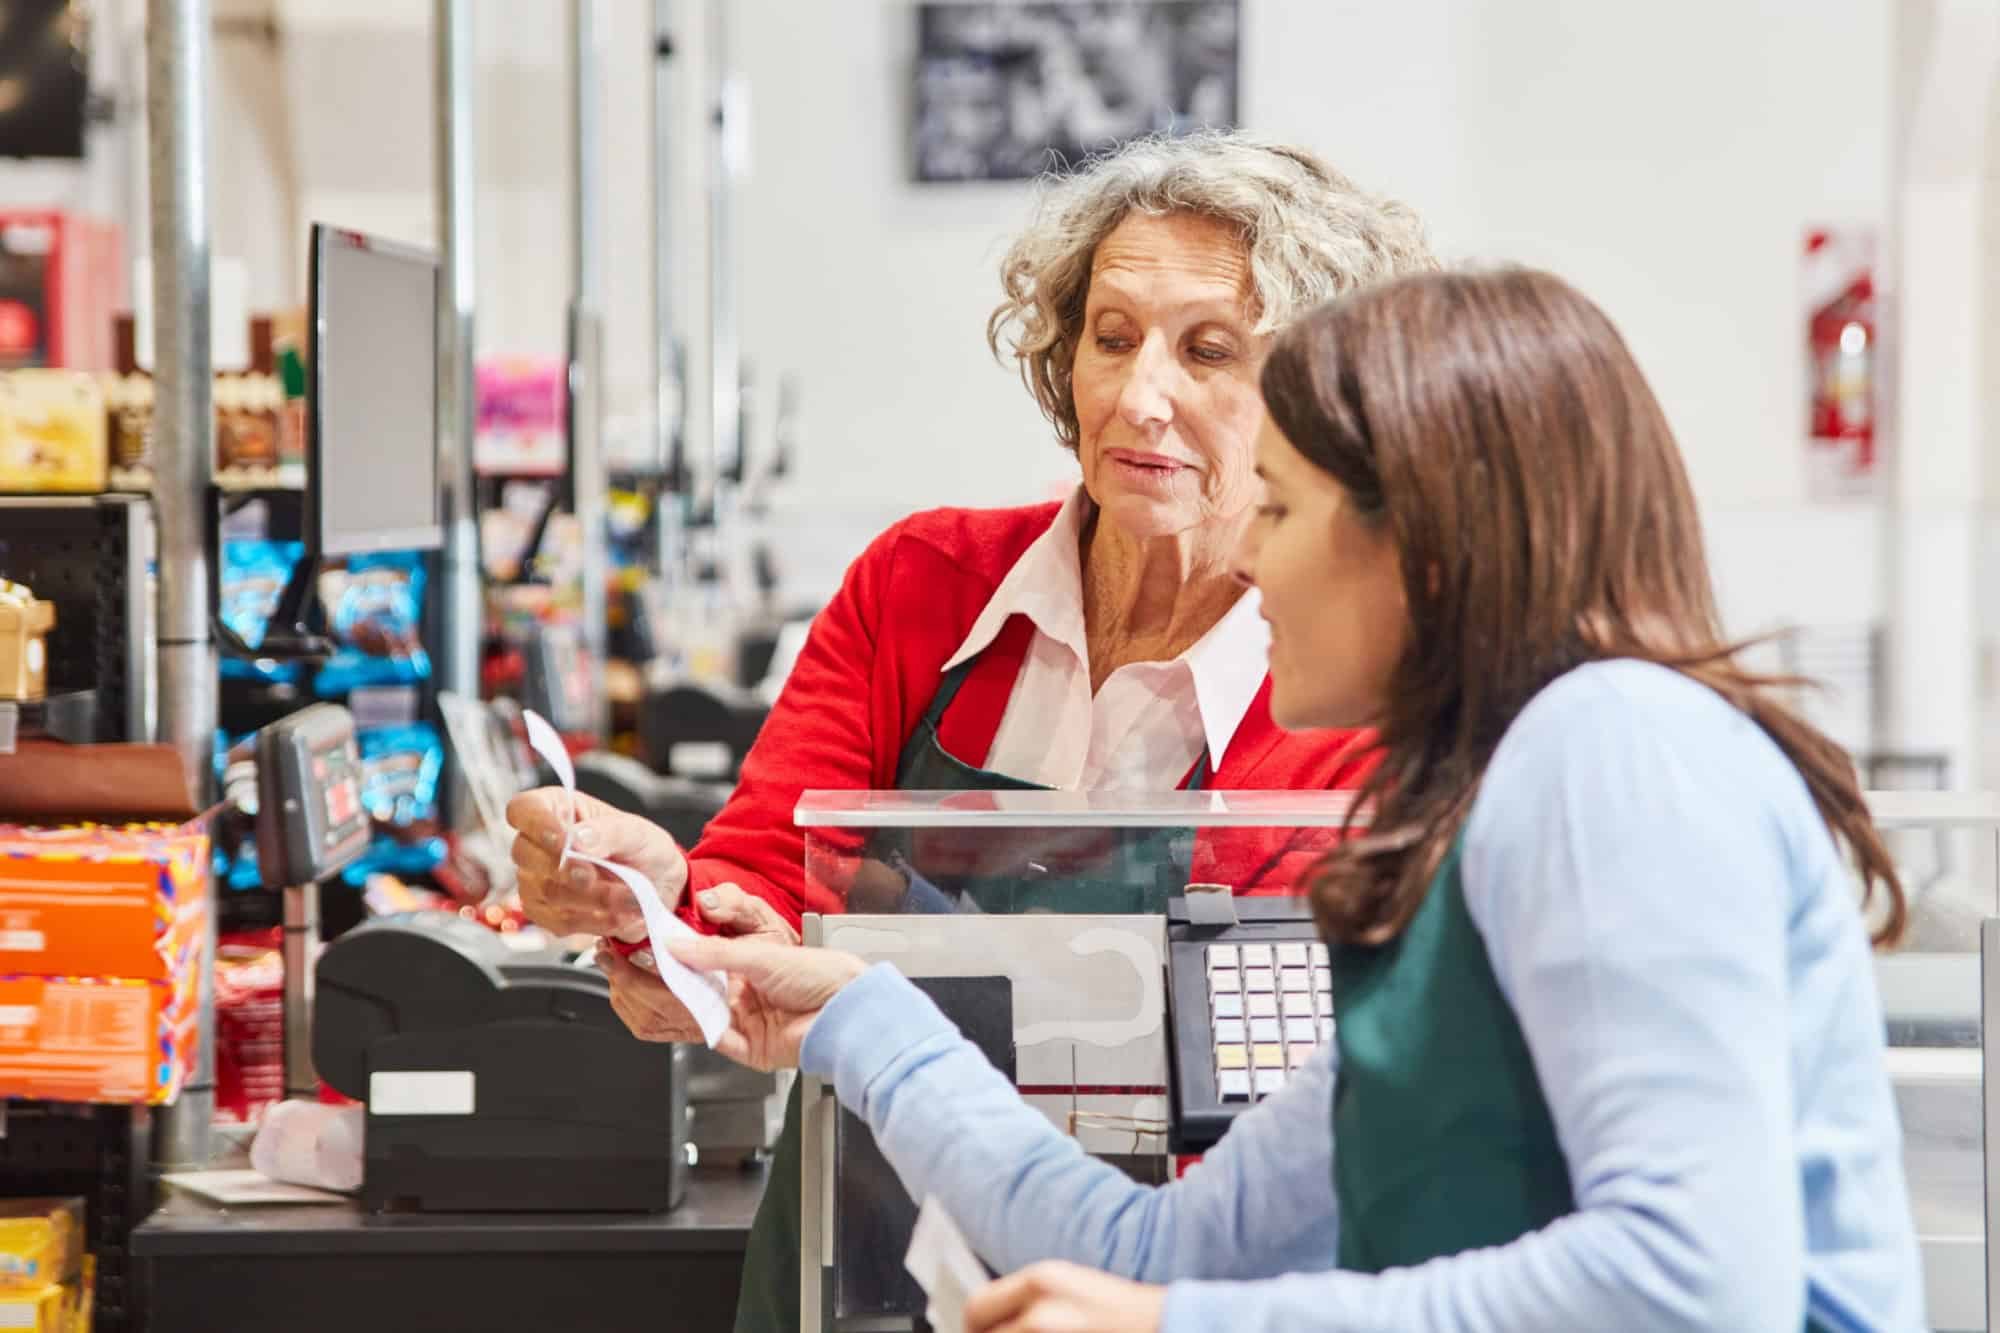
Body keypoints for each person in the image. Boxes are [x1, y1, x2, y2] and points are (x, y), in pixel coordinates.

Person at [658, 268, 1926, 1332]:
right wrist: (861, 1021)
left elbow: (1693, 1283)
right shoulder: (1480, 821)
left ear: (1420, 544)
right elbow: (1153, 1248)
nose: (1250, 554)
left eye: (1279, 505)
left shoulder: (1612, 745)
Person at [505, 130, 1438, 1333]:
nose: (1136, 392)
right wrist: (657, 902)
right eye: (1109, 337)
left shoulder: (1349, 692)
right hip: (855, 1243)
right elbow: (759, 886)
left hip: (1149, 1281)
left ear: (1315, 403)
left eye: (1208, 350)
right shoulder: (922, 585)